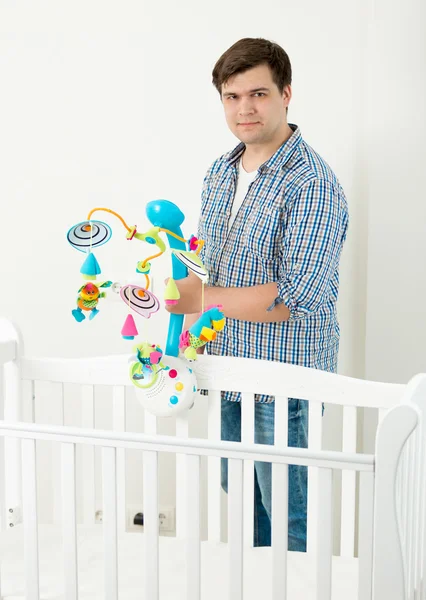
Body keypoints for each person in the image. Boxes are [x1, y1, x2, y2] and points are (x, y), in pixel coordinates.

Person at [165, 37, 349, 551]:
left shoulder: (312, 183)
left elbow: (296, 297)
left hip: (283, 382)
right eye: (232, 96)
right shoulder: (221, 173)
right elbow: (207, 269)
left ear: (286, 94)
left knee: (290, 516)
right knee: (244, 500)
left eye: (259, 94)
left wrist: (201, 300)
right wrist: (167, 299)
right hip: (227, 369)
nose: (244, 108)